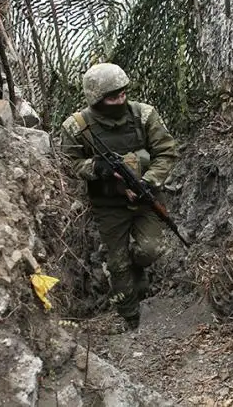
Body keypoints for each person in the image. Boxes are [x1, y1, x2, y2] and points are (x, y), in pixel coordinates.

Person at [59, 63, 179, 330]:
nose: (120, 100)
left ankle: (140, 273)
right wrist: (96, 168)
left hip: (146, 197)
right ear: (96, 98)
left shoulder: (144, 115)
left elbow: (167, 152)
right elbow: (68, 164)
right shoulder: (77, 127)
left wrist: (147, 181)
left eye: (123, 93)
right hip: (108, 204)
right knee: (118, 262)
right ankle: (130, 317)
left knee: (151, 250)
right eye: (112, 97)